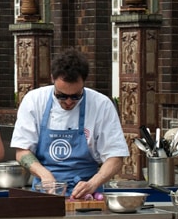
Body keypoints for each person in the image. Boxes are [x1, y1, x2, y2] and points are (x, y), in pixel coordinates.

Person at [11, 48, 128, 199]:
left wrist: (92, 184)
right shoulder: (34, 100)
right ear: (52, 78)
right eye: (61, 96)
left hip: (87, 194)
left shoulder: (101, 104)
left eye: (75, 96)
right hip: (45, 193)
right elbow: (22, 151)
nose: (68, 102)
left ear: (84, 82)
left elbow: (116, 156)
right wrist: (44, 175)